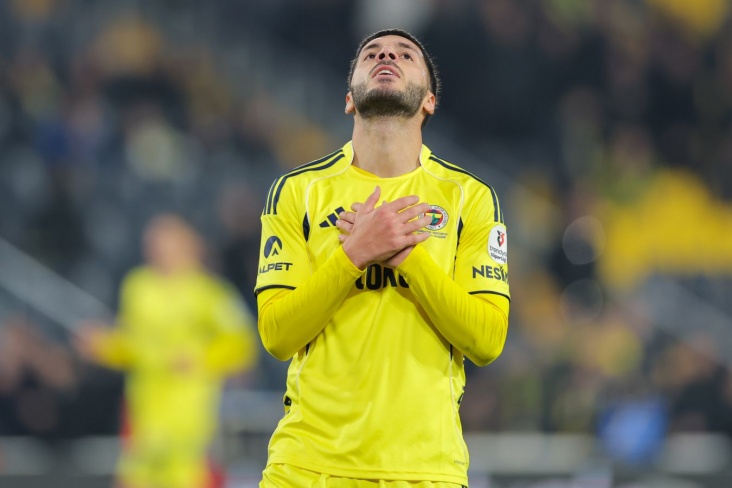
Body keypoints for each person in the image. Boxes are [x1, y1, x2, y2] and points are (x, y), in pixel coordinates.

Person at [255, 29, 510, 487]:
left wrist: (406, 256)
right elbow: (277, 335)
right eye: (370, 54)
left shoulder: (470, 197)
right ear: (349, 100)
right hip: (306, 468)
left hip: (425, 470)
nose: (386, 54)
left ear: (429, 101)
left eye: (405, 54)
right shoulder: (297, 191)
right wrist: (354, 254)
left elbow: (487, 341)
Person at [76, 213, 258, 488]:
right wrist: (104, 346)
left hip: (190, 423)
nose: (158, 247)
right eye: (153, 241)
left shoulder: (210, 292)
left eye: (166, 240)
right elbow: (133, 346)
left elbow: (242, 343)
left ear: (189, 244)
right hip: (144, 418)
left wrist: (201, 359)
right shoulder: (137, 287)